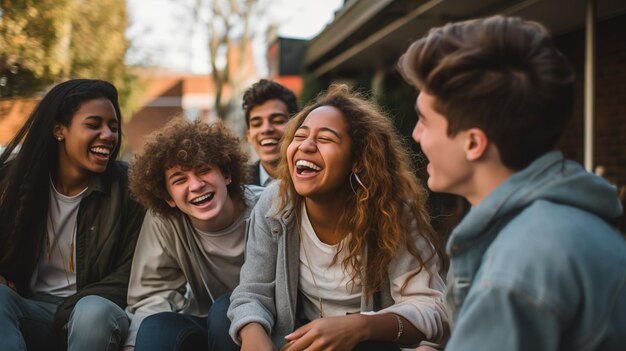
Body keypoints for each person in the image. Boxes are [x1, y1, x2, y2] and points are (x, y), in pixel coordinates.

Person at [398, 15, 626, 350]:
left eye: (424, 120)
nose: (416, 135)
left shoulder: (516, 270)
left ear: (473, 143)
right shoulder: (570, 222)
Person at [225, 83, 449, 351]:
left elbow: (432, 308)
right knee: (222, 317)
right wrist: (255, 339)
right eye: (300, 135)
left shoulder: (391, 209)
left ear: (357, 159)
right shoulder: (274, 203)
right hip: (298, 339)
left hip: (369, 344)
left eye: (325, 139)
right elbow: (251, 292)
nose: (306, 146)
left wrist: (360, 326)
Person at [0, 79, 145, 351]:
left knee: (91, 312)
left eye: (113, 127)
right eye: (94, 125)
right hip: (30, 310)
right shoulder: (13, 182)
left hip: (94, 314)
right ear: (59, 130)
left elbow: (132, 275)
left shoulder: (130, 189)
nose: (108, 135)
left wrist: (69, 310)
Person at [123, 119, 264, 351]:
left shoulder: (265, 207)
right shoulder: (165, 220)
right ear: (168, 197)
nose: (196, 185)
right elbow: (153, 294)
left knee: (225, 308)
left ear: (226, 174)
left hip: (267, 323)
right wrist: (132, 344)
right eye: (180, 180)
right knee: (156, 326)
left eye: (204, 170)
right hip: (204, 322)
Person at [242, 79, 299, 186]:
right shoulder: (239, 187)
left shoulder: (313, 178)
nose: (266, 129)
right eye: (257, 124)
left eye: (278, 121)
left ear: (296, 127)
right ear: (249, 135)